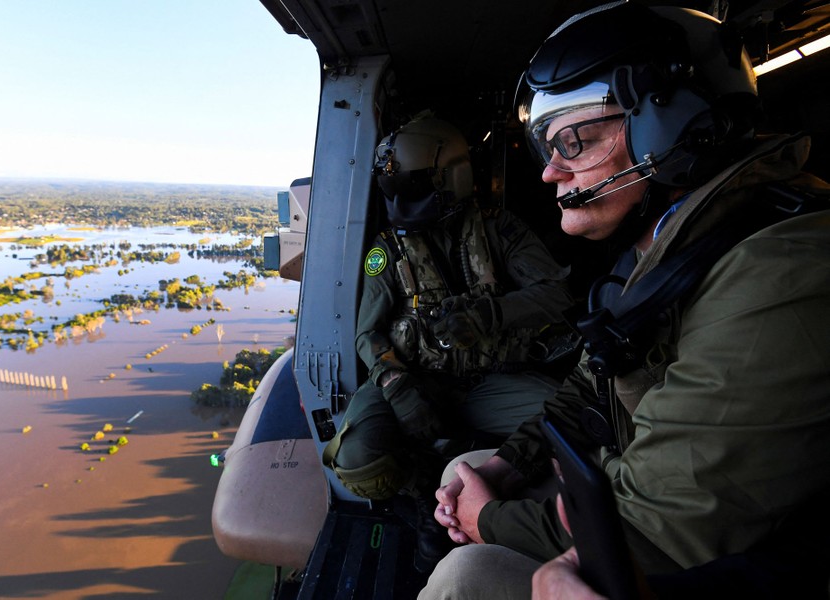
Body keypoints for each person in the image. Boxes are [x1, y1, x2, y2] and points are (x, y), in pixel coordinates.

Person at [421, 2, 830, 597]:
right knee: (464, 469)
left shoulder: (781, 271)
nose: (550, 173)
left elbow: (656, 529)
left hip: (738, 561)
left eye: (576, 141)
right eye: (548, 147)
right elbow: (591, 387)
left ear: (672, 128)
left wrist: (485, 520)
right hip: (655, 500)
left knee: (469, 576)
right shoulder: (670, 244)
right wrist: (507, 465)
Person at [321, 112, 576, 570]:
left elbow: (557, 295)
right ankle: (424, 494)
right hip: (416, 379)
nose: (405, 199)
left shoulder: (501, 231)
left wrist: (490, 315)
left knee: (570, 419)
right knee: (357, 455)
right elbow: (368, 333)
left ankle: (498, 492)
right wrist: (396, 386)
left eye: (417, 185)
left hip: (489, 380)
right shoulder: (387, 252)